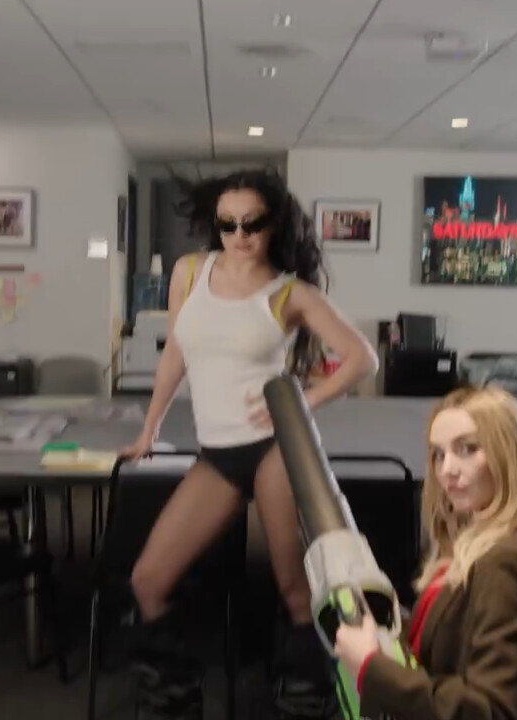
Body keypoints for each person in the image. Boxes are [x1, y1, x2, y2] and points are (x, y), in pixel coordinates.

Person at [119, 168, 379, 719]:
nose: (239, 235)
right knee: (148, 580)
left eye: (252, 224)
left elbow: (363, 358)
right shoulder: (191, 272)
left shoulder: (289, 293)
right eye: (227, 224)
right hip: (218, 453)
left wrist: (304, 400)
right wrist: (150, 428)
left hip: (275, 446)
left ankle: (307, 700)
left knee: (293, 588)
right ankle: (177, 698)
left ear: (273, 224)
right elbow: (175, 354)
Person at [333, 386, 517, 720]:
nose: (447, 470)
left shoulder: (506, 562)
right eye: (439, 454)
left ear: (508, 453)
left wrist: (372, 667)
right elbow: (456, 638)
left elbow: (494, 711)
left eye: (467, 449)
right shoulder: (480, 544)